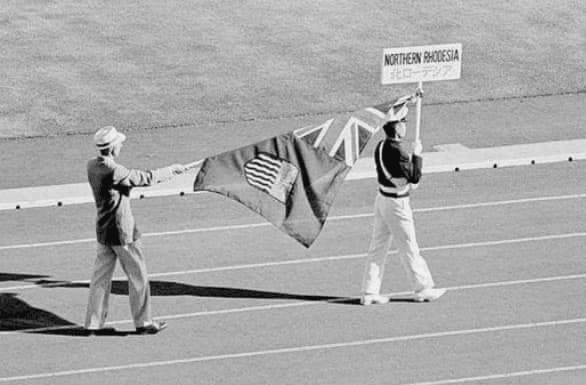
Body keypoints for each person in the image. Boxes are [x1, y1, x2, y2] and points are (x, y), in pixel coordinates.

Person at [85, 126, 186, 334]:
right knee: (138, 276)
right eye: (119, 144)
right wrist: (171, 170)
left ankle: (93, 324)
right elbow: (145, 178)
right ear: (113, 148)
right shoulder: (116, 171)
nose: (121, 146)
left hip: (103, 230)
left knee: (99, 279)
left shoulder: (92, 166)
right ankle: (144, 322)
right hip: (123, 232)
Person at [361, 94, 446, 305]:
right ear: (396, 127)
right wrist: (417, 155)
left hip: (382, 199)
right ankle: (423, 288)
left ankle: (369, 291)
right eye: (403, 122)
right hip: (397, 204)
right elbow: (415, 176)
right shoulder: (398, 151)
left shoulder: (381, 146)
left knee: (378, 246)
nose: (405, 126)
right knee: (409, 246)